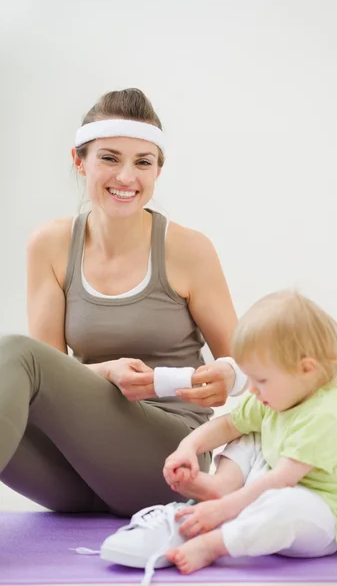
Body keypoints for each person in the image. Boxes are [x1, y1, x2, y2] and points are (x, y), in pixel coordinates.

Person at [0, 88, 248, 517]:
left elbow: (250, 368)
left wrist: (227, 375)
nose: (126, 177)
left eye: (143, 162)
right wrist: (108, 371)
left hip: (167, 462)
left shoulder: (188, 250)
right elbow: (46, 377)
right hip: (77, 475)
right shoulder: (50, 245)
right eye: (110, 158)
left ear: (158, 171)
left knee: (16, 354)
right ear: (79, 161)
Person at [163, 290, 337, 574]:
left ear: (306, 369)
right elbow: (226, 425)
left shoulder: (326, 416)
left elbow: (282, 480)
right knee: (248, 433)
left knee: (282, 505)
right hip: (268, 491)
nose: (252, 389)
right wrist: (188, 447)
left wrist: (224, 512)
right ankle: (223, 487)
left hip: (319, 519)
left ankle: (216, 543)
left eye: (260, 379)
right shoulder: (274, 397)